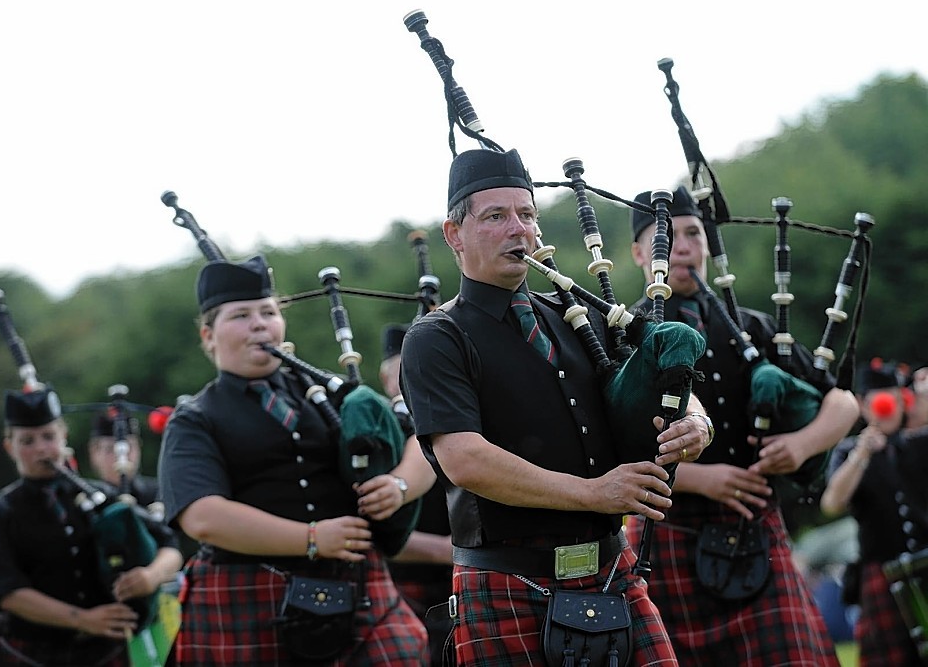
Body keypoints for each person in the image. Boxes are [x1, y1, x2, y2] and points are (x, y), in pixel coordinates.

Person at [399, 148, 713, 666]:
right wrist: (594, 493)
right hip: (507, 579)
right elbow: (464, 459)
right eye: (495, 216)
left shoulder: (576, 316)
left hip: (612, 572)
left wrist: (696, 421)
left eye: (526, 215)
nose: (517, 229)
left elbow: (652, 370)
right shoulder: (437, 338)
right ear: (454, 235)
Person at [625, 185, 860, 665]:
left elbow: (844, 404)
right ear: (637, 253)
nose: (683, 245)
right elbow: (607, 446)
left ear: (708, 245)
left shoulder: (751, 328)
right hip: (667, 534)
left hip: (757, 531)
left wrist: (800, 444)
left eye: (693, 233)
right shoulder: (621, 332)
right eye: (666, 236)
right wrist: (701, 478)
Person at [157, 254, 430, 665]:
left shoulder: (329, 393)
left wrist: (399, 485)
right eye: (241, 315)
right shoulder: (195, 418)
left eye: (269, 312)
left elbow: (423, 445)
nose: (259, 324)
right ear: (208, 335)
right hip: (248, 590)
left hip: (356, 584)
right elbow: (202, 516)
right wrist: (312, 539)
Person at [0, 386, 183, 666]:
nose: (40, 449)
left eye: (48, 436)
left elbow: (169, 545)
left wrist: (151, 576)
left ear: (64, 436)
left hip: (104, 651)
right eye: (27, 441)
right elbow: (8, 592)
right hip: (29, 653)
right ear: (9, 447)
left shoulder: (100, 496)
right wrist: (83, 619)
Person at [820, 359, 928, 665]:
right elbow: (831, 504)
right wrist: (862, 453)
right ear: (864, 405)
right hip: (881, 570)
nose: (891, 406)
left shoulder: (919, 441)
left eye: (897, 398)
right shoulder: (849, 451)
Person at [378, 324, 454, 664]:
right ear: (385, 377)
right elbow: (364, 531)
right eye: (404, 367)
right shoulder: (374, 434)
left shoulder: (467, 423)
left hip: (468, 584)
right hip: (403, 591)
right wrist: (448, 550)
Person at [88, 410, 160, 508]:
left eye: (129, 447)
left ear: (139, 448)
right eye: (110, 449)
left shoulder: (159, 494)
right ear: (94, 453)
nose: (121, 457)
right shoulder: (87, 498)